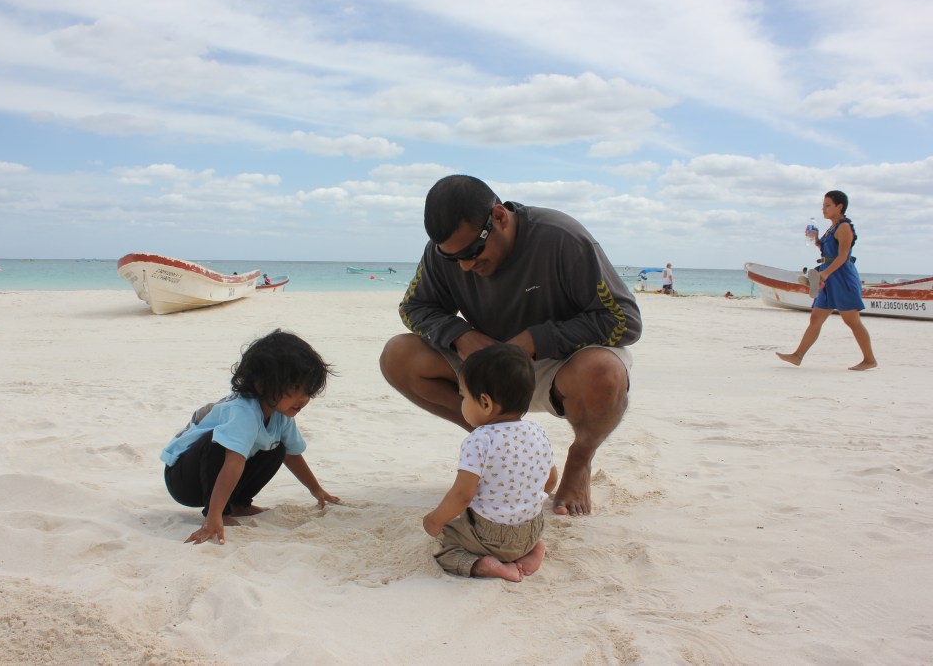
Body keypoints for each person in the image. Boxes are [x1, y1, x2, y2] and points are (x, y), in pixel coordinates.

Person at [380, 174, 641, 516]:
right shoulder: (446, 253)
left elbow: (625, 321)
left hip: (560, 363)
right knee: (397, 355)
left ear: (499, 217)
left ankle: (580, 462)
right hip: (487, 362)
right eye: (452, 258)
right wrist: (459, 335)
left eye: (473, 251)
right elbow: (413, 307)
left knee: (605, 373)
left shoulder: (562, 238)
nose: (466, 265)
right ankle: (492, 444)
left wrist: (535, 340)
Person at [161, 329, 340, 545]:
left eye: (308, 391)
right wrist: (213, 516)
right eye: (295, 388)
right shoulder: (242, 411)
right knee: (220, 445)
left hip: (212, 473)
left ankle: (240, 504)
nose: (303, 399)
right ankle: (217, 510)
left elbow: (292, 455)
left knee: (278, 449)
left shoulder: (280, 415)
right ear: (261, 385)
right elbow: (232, 463)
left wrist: (317, 490)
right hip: (183, 478)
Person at [423, 344, 557, 582]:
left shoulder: (479, 440)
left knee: (445, 544)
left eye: (463, 396)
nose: (462, 402)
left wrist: (434, 521)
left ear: (485, 403)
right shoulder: (537, 432)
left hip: (491, 536)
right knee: (520, 533)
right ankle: (534, 550)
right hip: (532, 528)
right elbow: (550, 481)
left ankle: (486, 565)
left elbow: (463, 495)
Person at [776, 190, 877, 371]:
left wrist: (826, 273)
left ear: (839, 207)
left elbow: (843, 256)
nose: (824, 209)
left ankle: (869, 360)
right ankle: (797, 356)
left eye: (828, 205)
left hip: (841, 277)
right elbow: (828, 252)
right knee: (816, 318)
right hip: (828, 275)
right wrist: (817, 241)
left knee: (852, 320)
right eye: (823, 205)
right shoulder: (832, 227)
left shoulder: (844, 227)